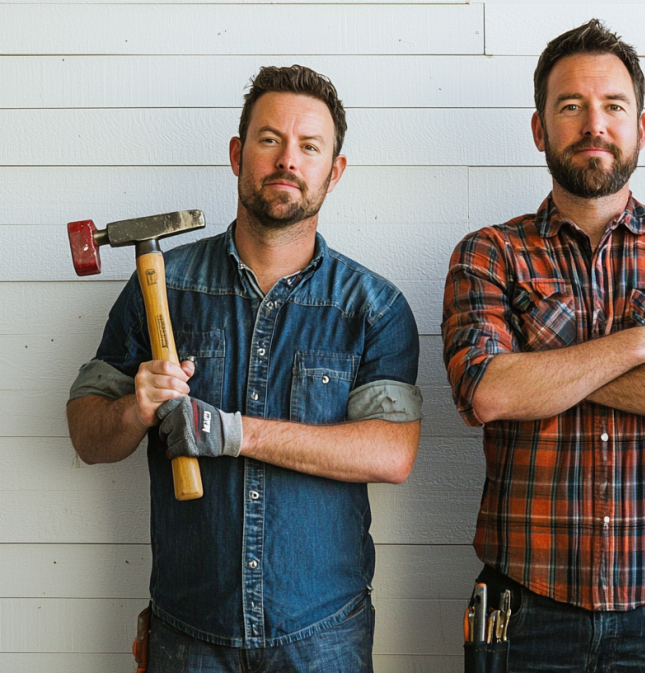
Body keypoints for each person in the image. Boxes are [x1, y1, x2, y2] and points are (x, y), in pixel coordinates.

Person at [65, 65, 422, 672]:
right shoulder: (163, 287)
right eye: (269, 139)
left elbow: (390, 455)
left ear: (333, 171)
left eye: (309, 146)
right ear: (237, 153)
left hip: (324, 636)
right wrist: (135, 407)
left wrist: (233, 433)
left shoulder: (372, 305)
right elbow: (87, 435)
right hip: (187, 633)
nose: (288, 159)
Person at [442, 19, 645, 670]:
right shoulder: (490, 252)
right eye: (571, 106)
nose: (595, 122)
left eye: (613, 106)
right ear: (540, 128)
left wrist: (541, 375)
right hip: (522, 615)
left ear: (640, 126)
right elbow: (487, 390)